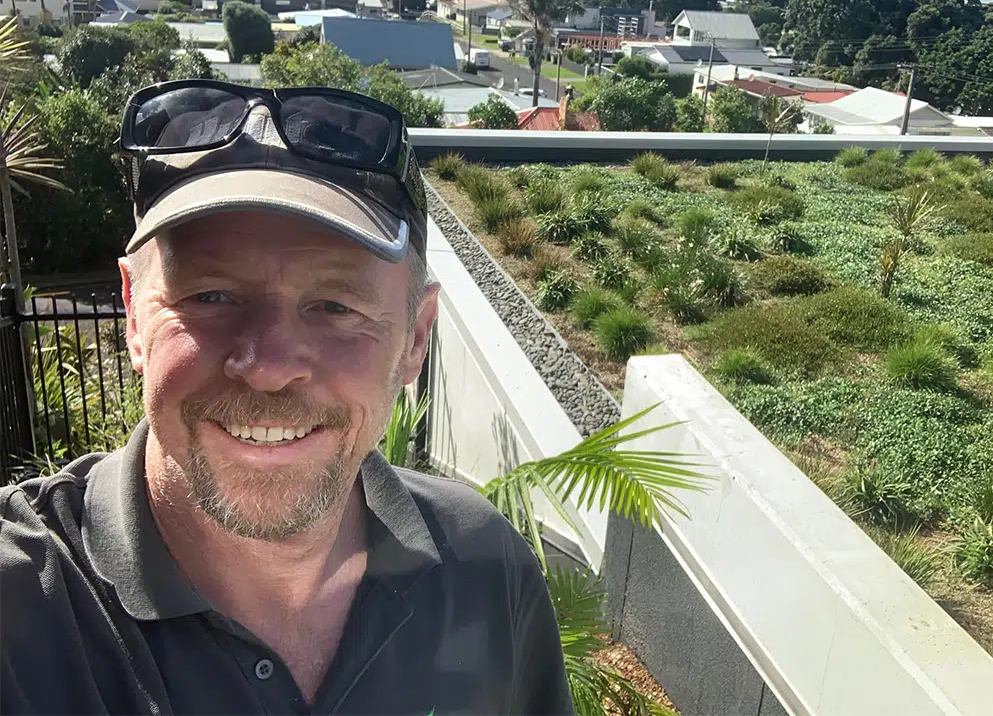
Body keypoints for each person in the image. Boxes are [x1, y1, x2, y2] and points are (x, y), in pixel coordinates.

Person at [0, 81, 574, 716]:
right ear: (135, 316)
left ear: (416, 337)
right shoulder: (22, 610)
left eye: (335, 305)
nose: (268, 367)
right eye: (210, 296)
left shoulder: (484, 567)